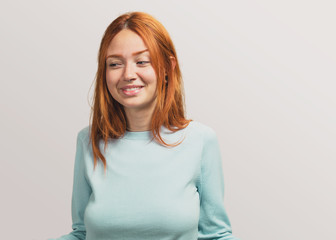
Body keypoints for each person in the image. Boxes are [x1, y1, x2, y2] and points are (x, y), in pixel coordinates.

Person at [48, 11, 239, 240]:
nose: (128, 74)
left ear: (168, 68)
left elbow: (216, 236)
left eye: (142, 62)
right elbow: (81, 234)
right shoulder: (89, 141)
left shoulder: (200, 141)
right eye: (115, 63)